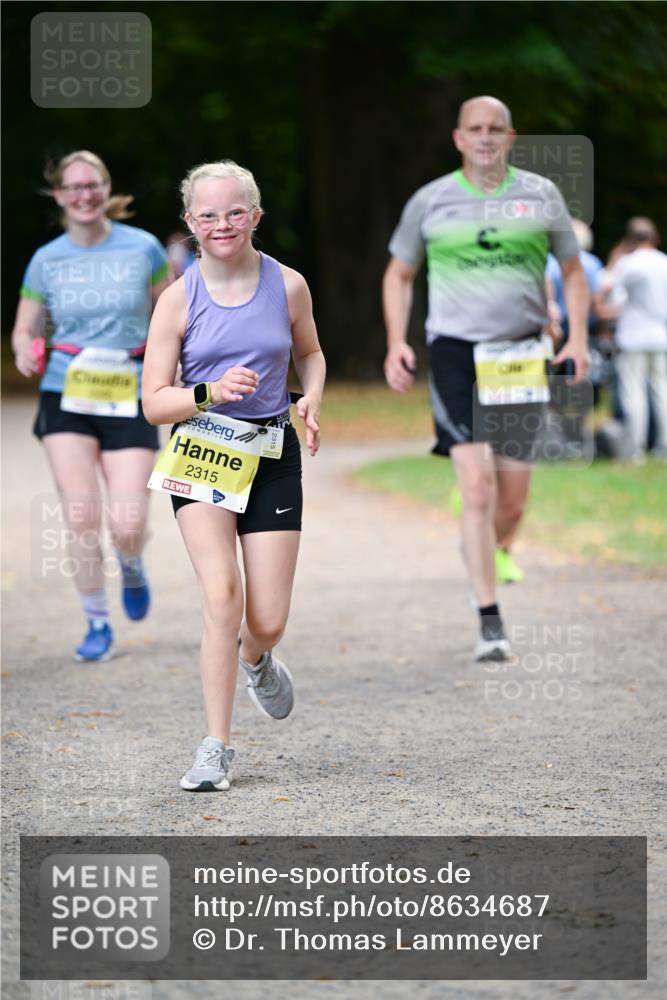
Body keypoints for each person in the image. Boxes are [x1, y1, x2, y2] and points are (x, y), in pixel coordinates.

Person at [383, 96, 589, 661]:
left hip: (521, 352)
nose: (485, 137)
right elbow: (399, 274)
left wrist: (575, 336)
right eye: (475, 128)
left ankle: (485, 545)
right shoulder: (431, 200)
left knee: (513, 499)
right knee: (476, 487)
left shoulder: (541, 195)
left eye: (496, 129)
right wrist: (398, 340)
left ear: (511, 136)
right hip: (455, 354)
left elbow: (572, 272)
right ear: (458, 138)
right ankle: (488, 618)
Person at [142, 160, 325, 792]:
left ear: (255, 214)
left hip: (272, 449)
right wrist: (209, 391)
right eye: (208, 214)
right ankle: (215, 747)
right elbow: (153, 402)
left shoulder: (289, 284)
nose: (223, 224)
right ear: (190, 223)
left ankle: (258, 656)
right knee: (222, 593)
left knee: (267, 617)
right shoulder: (177, 298)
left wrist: (313, 399)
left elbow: (311, 352)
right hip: (200, 451)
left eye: (235, 211)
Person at [11, 150, 170, 662]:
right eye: (73, 187)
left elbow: (174, 314)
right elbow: (24, 327)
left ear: (106, 189)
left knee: (125, 522)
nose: (84, 194)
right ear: (59, 195)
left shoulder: (144, 248)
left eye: (93, 184)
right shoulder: (46, 258)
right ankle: (97, 623)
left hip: (130, 390)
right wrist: (23, 350)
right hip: (67, 393)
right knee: (81, 516)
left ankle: (130, 563)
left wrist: (177, 372)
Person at [604, 218, 667, 462]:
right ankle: (663, 447)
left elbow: (611, 296)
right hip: (661, 335)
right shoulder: (664, 262)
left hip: (633, 335)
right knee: (662, 391)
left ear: (630, 239)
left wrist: (614, 259)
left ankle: (635, 449)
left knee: (634, 393)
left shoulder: (628, 264)